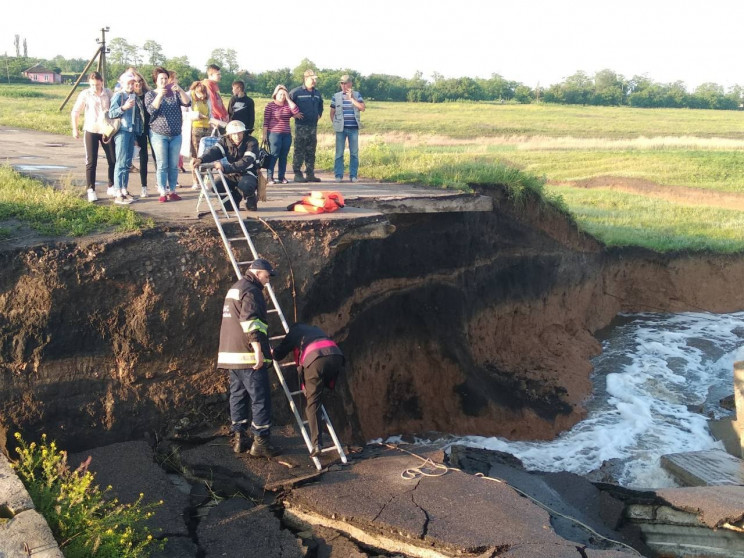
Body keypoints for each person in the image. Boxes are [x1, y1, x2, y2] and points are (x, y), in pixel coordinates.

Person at [217, 258, 280, 457]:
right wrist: (258, 352)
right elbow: (251, 323)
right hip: (247, 356)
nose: (267, 281)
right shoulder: (252, 291)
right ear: (257, 272)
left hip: (231, 355)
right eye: (267, 276)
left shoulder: (236, 288)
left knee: (238, 396)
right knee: (260, 398)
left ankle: (239, 439)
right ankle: (260, 443)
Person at [272, 323, 344, 457]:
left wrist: (272, 353)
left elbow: (279, 354)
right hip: (336, 355)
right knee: (319, 389)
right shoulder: (315, 329)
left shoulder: (294, 332)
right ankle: (319, 395)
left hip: (315, 360)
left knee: (313, 403)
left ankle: (317, 444)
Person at [145, 66, 190, 203]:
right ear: (156, 81)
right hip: (159, 134)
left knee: (173, 164)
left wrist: (180, 90)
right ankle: (162, 191)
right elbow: (151, 110)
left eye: (165, 78)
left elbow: (187, 102)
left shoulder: (175, 93)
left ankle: (172, 191)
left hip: (176, 134)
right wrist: (160, 94)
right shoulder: (150, 94)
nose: (164, 81)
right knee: (162, 164)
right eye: (161, 79)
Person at [193, 120, 260, 211]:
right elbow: (214, 151)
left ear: (244, 132)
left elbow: (245, 162)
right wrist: (201, 159)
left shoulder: (252, 142)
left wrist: (224, 168)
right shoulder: (224, 141)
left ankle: (250, 198)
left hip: (248, 173)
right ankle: (231, 203)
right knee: (215, 186)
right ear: (229, 135)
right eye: (234, 134)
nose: (237, 136)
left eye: (239, 133)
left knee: (246, 186)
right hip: (230, 173)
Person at [70, 71, 116, 202]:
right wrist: (75, 129)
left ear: (102, 82)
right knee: (91, 161)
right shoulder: (85, 94)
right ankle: (91, 189)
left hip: (106, 130)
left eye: (97, 84)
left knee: (112, 159)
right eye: (92, 85)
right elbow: (75, 112)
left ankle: (111, 185)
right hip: (91, 129)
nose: (95, 87)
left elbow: (115, 107)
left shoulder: (107, 92)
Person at [108, 71, 144, 205]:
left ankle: (124, 190)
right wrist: (123, 108)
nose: (131, 85)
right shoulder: (119, 95)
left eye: (133, 83)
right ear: (122, 83)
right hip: (122, 132)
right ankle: (118, 192)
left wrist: (136, 134)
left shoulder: (133, 96)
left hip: (131, 132)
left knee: (127, 163)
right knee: (121, 162)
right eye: (128, 83)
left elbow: (136, 118)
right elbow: (111, 113)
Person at [330, 74, 365, 182]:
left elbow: (362, 108)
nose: (344, 85)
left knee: (354, 153)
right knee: (339, 153)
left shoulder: (357, 95)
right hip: (341, 129)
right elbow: (332, 113)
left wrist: (352, 99)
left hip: (353, 128)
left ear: (350, 83)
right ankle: (338, 175)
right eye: (342, 83)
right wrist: (335, 123)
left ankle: (353, 175)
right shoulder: (336, 96)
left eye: (346, 83)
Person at [289, 69, 323, 183]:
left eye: (315, 79)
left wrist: (319, 114)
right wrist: (293, 114)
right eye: (312, 79)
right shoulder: (296, 92)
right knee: (299, 150)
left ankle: (310, 173)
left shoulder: (317, 93)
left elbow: (320, 106)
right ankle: (297, 173)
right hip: (301, 126)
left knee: (311, 151)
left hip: (313, 126)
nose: (314, 81)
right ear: (306, 78)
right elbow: (287, 105)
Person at [262, 84, 299, 184]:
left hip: (286, 134)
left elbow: (296, 110)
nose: (282, 96)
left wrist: (288, 99)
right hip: (274, 133)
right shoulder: (270, 105)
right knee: (274, 155)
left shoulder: (288, 105)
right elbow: (266, 121)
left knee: (284, 156)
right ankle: (270, 177)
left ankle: (281, 177)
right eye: (280, 94)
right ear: (276, 94)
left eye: (284, 94)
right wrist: (264, 135)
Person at [132, 72, 152, 198]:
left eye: (140, 81)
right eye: (135, 82)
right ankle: (143, 187)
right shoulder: (130, 97)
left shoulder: (149, 95)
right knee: (142, 159)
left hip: (151, 128)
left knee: (156, 158)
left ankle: (162, 185)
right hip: (138, 132)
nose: (138, 84)